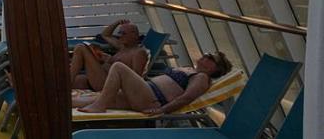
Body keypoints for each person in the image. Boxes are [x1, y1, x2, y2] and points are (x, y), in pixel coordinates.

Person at [74, 51, 232, 115]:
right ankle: (94, 103)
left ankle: (100, 106)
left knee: (118, 67)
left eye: (211, 59)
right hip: (141, 94)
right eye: (206, 55)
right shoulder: (190, 69)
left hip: (151, 98)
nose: (205, 57)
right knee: (81, 101)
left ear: (216, 68)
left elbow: (186, 98)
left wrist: (162, 110)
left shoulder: (202, 77)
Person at [70, 19, 148, 90]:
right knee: (68, 81)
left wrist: (111, 63)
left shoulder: (138, 53)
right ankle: (68, 83)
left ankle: (68, 82)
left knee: (80, 48)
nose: (120, 36)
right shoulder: (122, 47)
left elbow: (136, 79)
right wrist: (117, 22)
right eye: (119, 33)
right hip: (100, 76)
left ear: (134, 35)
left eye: (123, 33)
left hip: (108, 83)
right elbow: (105, 35)